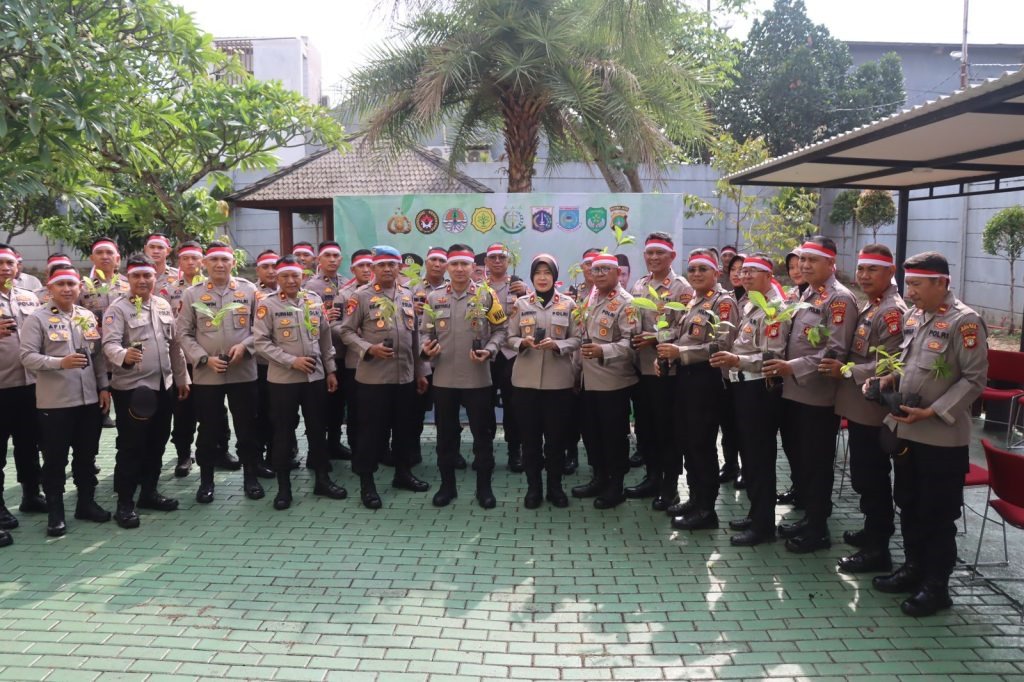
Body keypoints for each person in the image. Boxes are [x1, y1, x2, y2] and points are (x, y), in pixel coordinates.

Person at [870, 251, 987, 617]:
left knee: (937, 514)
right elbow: (908, 362)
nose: (912, 291)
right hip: (907, 430)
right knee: (908, 504)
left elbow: (974, 380)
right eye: (909, 284)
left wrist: (934, 411)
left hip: (939, 437)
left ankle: (937, 586)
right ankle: (912, 569)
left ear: (941, 282)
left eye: (918, 284)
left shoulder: (965, 323)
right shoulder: (914, 315)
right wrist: (890, 377)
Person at [763, 236, 858, 553]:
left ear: (831, 264)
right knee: (801, 459)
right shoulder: (804, 294)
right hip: (793, 391)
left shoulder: (839, 300)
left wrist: (791, 366)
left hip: (817, 396)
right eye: (801, 260)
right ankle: (809, 517)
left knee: (817, 463)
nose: (803, 265)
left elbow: (836, 353)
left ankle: (818, 529)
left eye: (811, 260)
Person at [819, 245, 907, 573]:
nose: (864, 275)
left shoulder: (891, 311)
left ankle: (878, 548)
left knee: (872, 477)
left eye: (873, 269)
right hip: (858, 406)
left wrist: (847, 371)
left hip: (872, 408)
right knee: (864, 475)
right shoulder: (873, 306)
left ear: (891, 271)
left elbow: (892, 365)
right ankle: (873, 531)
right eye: (861, 269)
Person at [19, 266, 111, 536]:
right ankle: (56, 513)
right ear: (50, 289)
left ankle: (86, 503)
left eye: (72, 284)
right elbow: (26, 357)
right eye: (61, 284)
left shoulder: (87, 317)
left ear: (80, 288)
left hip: (88, 401)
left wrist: (104, 386)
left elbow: (97, 357)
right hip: (55, 403)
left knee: (86, 456)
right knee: (55, 459)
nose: (68, 289)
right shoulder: (37, 319)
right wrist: (61, 362)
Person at [101, 255, 191, 529]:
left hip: (163, 387)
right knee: (131, 446)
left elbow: (174, 346)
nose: (142, 281)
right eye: (136, 276)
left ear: (155, 278)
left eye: (147, 276)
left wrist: (182, 378)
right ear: (128, 278)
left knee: (158, 441)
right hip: (133, 389)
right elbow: (109, 344)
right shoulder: (118, 310)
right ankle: (125, 503)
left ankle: (149, 493)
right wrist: (124, 355)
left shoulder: (163, 305)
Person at [253, 255, 348, 510]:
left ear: (303, 276)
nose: (291, 280)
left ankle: (322, 480)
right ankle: (284, 489)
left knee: (318, 429)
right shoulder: (268, 305)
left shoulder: (313, 300)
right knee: (283, 432)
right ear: (278, 278)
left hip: (315, 378)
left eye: (295, 275)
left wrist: (330, 370)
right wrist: (290, 361)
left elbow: (325, 338)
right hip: (283, 380)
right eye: (285, 276)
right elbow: (261, 343)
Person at [339, 246, 430, 509]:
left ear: (400, 266)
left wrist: (421, 371)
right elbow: (346, 331)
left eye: (393, 264)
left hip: (404, 377)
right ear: (374, 268)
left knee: (404, 429)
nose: (388, 269)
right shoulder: (362, 296)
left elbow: (414, 337)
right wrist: (369, 348)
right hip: (374, 380)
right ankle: (367, 484)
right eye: (382, 265)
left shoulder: (406, 295)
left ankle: (402, 474)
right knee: (371, 433)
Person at [710, 254, 790, 546]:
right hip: (742, 388)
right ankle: (757, 513)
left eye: (754, 272)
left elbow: (772, 357)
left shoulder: (772, 309)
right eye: (743, 271)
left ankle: (764, 526)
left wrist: (736, 359)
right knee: (750, 458)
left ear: (769, 276)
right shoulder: (748, 304)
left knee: (760, 458)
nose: (746, 276)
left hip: (759, 390)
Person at [176, 243, 266, 504]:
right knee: (209, 429)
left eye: (224, 259)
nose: (219, 264)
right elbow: (183, 333)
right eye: (213, 259)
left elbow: (259, 328)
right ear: (205, 263)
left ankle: (251, 477)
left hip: (243, 371)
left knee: (247, 427)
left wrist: (245, 346)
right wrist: (204, 358)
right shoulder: (193, 294)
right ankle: (206, 481)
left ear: (232, 262)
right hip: (208, 374)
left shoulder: (249, 290)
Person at [657, 249, 739, 531]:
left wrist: (681, 352)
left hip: (708, 381)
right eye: (692, 270)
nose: (696, 274)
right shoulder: (691, 302)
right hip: (685, 380)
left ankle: (707, 510)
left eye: (703, 269)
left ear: (716, 273)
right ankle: (695, 499)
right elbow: (679, 338)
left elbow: (724, 346)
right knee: (689, 442)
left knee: (703, 445)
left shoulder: (723, 303)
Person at [422, 244, 508, 509]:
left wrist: (490, 350)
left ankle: (484, 488)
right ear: (448, 267)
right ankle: (447, 487)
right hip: (444, 379)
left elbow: (501, 329)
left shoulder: (487, 295)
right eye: (454, 264)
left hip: (477, 379)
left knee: (482, 436)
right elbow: (425, 331)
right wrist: (426, 346)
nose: (459, 269)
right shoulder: (434, 298)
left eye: (465, 264)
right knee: (446, 436)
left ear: (474, 267)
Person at [505, 254, 580, 508]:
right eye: (538, 273)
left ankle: (555, 488)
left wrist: (558, 345)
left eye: (547, 273)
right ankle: (533, 488)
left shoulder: (569, 305)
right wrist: (521, 343)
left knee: (556, 440)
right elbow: (508, 336)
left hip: (558, 384)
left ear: (555, 277)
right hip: (525, 383)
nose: (543, 277)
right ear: (532, 277)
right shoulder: (521, 304)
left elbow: (578, 339)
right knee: (530, 440)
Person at [627, 233, 693, 508]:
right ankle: (652, 477)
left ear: (672, 257)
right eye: (649, 253)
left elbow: (687, 328)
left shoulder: (680, 288)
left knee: (667, 429)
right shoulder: (640, 285)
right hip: (640, 369)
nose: (653, 258)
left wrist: (656, 338)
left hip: (667, 371)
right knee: (646, 428)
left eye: (659, 253)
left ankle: (670, 486)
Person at [572, 252, 639, 509]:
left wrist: (604, 351)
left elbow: (631, 345)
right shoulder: (589, 298)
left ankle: (616, 486)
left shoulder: (627, 302)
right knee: (591, 433)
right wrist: (576, 374)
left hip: (613, 381)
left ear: (617, 273)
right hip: (588, 380)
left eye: (604, 270)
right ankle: (598, 477)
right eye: (595, 270)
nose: (598, 274)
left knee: (614, 436)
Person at [0, 244, 45, 545]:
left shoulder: (30, 298)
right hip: (1, 387)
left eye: (9, 263)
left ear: (18, 266)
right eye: (0, 263)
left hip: (31, 385)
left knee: (30, 444)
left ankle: (31, 492)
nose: (5, 268)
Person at [411, 247, 461, 468]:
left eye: (442, 260)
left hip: (446, 361)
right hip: (421, 358)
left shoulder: (453, 290)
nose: (437, 264)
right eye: (433, 260)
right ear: (426, 263)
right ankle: (412, 451)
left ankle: (453, 453)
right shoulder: (410, 289)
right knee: (417, 409)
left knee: (447, 414)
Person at [304, 241, 352, 460]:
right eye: (328, 256)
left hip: (344, 353)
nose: (333, 260)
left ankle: (334, 442)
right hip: (322, 355)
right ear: (319, 260)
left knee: (338, 403)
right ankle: (318, 450)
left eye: (336, 256)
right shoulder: (309, 287)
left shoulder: (347, 284)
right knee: (320, 405)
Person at [484, 243, 528, 473]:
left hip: (511, 352)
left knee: (514, 404)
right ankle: (485, 451)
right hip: (488, 353)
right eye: (493, 258)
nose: (498, 261)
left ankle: (515, 451)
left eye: (502, 257)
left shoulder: (520, 286)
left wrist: (526, 294)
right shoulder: (479, 288)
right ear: (486, 262)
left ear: (508, 261)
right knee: (484, 403)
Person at [167, 241, 206, 477]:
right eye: (186, 258)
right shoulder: (167, 289)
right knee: (183, 410)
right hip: (183, 359)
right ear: (179, 262)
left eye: (195, 258)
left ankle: (218, 450)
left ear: (202, 261)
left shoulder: (211, 287)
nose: (190, 262)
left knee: (214, 409)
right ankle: (183, 454)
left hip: (209, 359)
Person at [777, 248, 808, 507]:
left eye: (801, 264)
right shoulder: (792, 297)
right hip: (786, 386)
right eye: (792, 267)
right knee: (791, 443)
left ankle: (812, 504)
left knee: (809, 450)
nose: (797, 271)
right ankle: (799, 488)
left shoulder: (828, 299)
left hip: (809, 386)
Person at [337, 249, 374, 458]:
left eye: (370, 265)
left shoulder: (384, 291)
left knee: (378, 410)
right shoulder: (344, 294)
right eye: (362, 266)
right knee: (356, 409)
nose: (367, 269)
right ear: (352, 269)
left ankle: (380, 448)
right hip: (354, 361)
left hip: (382, 362)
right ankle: (357, 448)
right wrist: (356, 335)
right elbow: (334, 326)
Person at [252, 250, 285, 475]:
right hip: (261, 365)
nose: (271, 271)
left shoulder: (292, 293)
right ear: (258, 270)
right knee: (261, 414)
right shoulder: (252, 294)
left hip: (287, 366)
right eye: (266, 267)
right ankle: (260, 459)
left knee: (283, 415)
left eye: (275, 266)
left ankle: (280, 454)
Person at [719, 252, 746, 488]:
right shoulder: (724, 299)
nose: (738, 273)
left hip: (747, 373)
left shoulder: (758, 301)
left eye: (743, 269)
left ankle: (746, 470)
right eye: (734, 269)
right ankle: (730, 465)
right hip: (725, 373)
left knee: (744, 425)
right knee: (727, 423)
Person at [144, 233, 179, 300]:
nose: (156, 251)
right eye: (152, 247)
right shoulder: (136, 275)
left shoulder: (178, 277)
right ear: (145, 249)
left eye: (160, 247)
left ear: (168, 251)